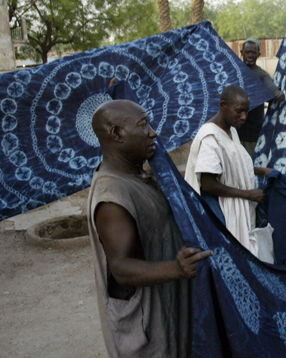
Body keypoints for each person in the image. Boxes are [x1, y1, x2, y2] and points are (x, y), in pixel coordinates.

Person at [87, 100, 213, 357]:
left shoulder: (136, 174)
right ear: (117, 134)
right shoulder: (112, 194)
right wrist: (176, 269)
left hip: (168, 305)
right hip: (147, 323)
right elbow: (120, 267)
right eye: (143, 125)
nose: (153, 132)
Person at [185, 85, 275, 262]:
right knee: (235, 254)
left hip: (239, 202)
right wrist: (248, 194)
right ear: (223, 105)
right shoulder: (210, 138)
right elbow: (208, 183)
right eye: (239, 111)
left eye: (247, 112)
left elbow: (233, 164)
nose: (244, 117)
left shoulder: (231, 130)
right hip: (226, 208)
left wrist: (261, 171)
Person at [236, 37, 285, 155]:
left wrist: (277, 93)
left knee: (250, 166)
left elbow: (277, 93)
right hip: (233, 130)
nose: (250, 55)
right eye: (247, 52)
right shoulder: (234, 70)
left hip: (252, 132)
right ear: (242, 53)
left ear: (259, 54)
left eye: (253, 52)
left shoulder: (261, 75)